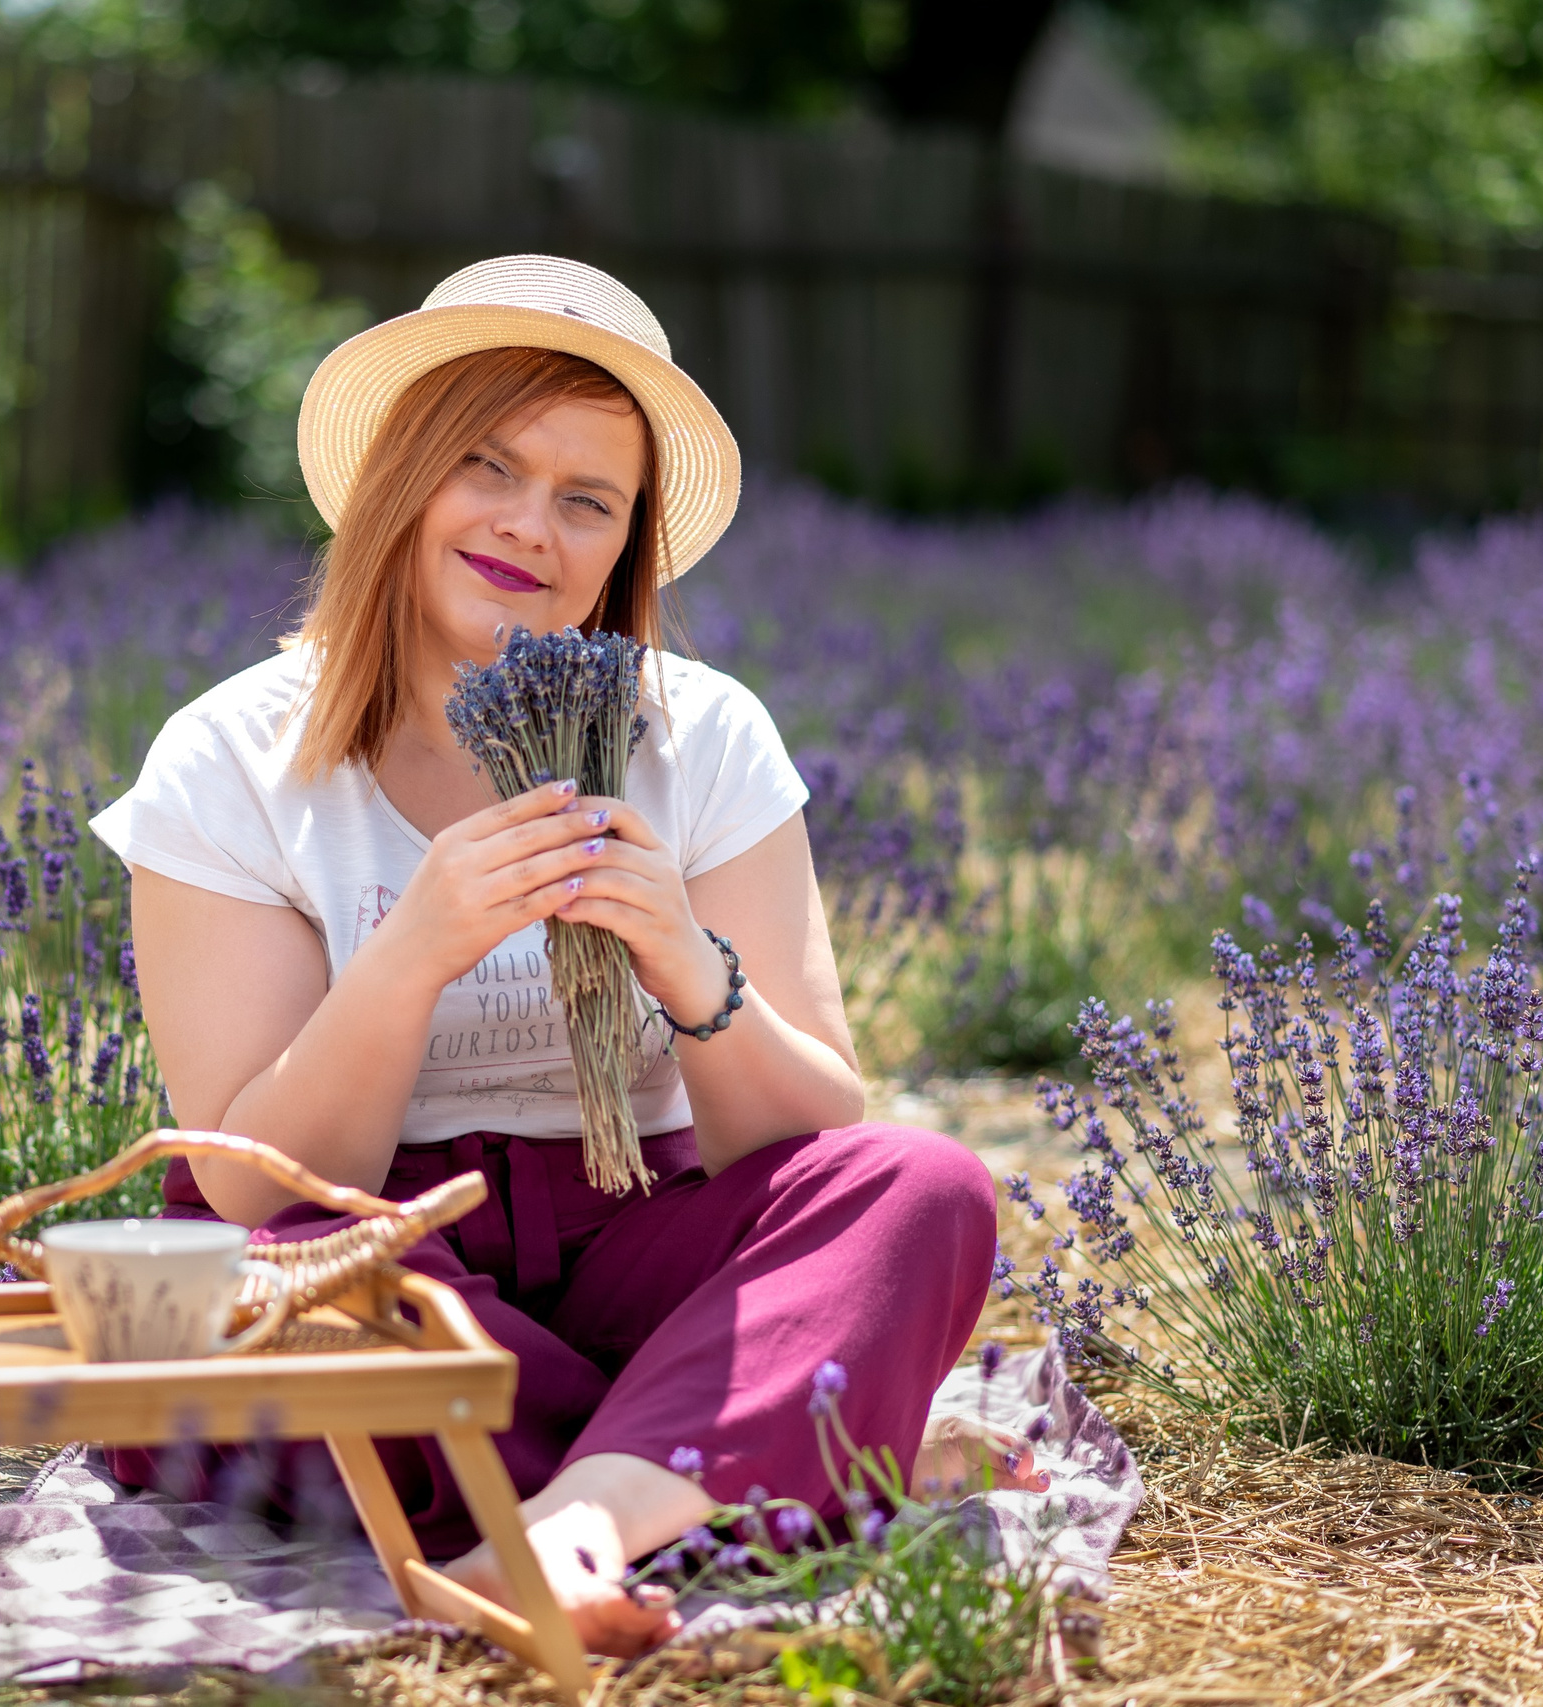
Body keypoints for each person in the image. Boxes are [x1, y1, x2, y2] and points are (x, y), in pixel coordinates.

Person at [86, 256, 1038, 1658]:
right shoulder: (234, 753)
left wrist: (686, 963)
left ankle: (549, 1531)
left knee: (923, 1188)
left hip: (637, 1225)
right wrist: (411, 955)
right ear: (405, 475)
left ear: (626, 545)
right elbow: (245, 1176)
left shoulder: (698, 736)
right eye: (490, 466)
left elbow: (811, 1130)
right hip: (376, 1245)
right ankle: (746, 1440)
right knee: (260, 1292)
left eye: (586, 501)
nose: (532, 526)